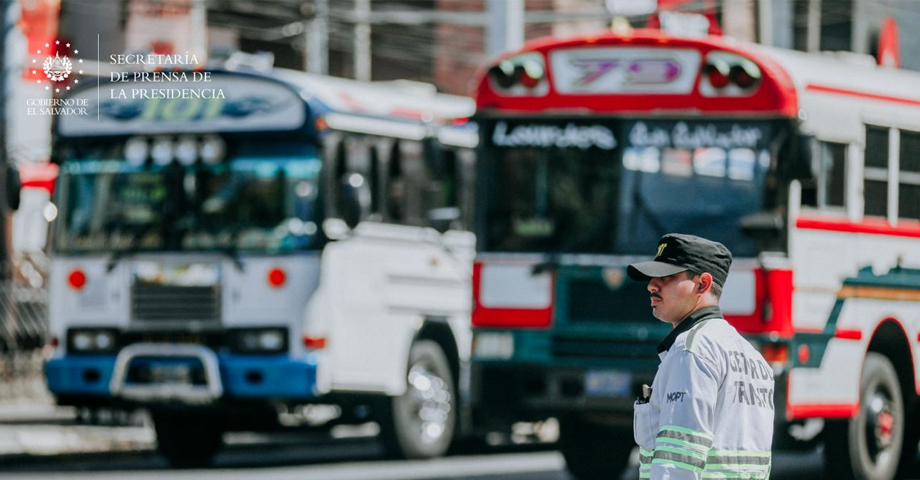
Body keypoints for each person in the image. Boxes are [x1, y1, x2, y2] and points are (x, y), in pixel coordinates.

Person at [627, 233, 775, 480]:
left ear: (703, 284)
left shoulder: (691, 350)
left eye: (667, 276)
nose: (652, 285)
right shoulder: (753, 357)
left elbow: (676, 467)